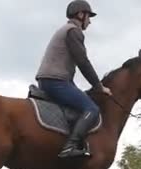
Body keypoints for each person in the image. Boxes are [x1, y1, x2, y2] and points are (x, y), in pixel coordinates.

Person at [35, 0, 112, 158]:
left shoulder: (65, 30)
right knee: (92, 108)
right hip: (56, 81)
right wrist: (99, 86)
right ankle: (70, 146)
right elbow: (83, 62)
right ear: (81, 14)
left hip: (52, 79)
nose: (89, 22)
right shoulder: (73, 31)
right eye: (89, 17)